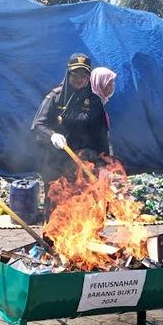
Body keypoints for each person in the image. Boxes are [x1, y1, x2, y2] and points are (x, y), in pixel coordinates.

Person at [31, 53, 109, 221]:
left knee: (81, 211)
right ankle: (49, 245)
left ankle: (78, 246)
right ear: (68, 73)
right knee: (56, 211)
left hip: (84, 166)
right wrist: (52, 136)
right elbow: (38, 125)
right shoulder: (55, 97)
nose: (79, 79)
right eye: (76, 74)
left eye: (84, 75)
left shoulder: (94, 102)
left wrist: (104, 166)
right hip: (56, 164)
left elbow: (102, 136)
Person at [90, 67, 117, 155]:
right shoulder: (90, 104)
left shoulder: (100, 103)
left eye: (112, 84)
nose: (111, 87)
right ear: (99, 83)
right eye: (108, 84)